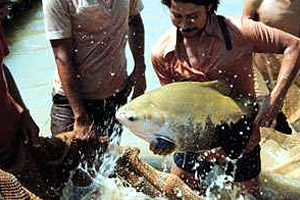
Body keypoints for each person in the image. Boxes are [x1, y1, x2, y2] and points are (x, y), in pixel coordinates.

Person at [150, 0, 300, 195]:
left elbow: (294, 46)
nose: (185, 25)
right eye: (177, 16)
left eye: (193, 16)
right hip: (194, 144)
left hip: (243, 140)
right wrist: (161, 139)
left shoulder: (241, 31)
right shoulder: (161, 54)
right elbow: (173, 111)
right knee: (173, 194)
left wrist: (276, 99)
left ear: (209, 6)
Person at [42, 0, 146, 152]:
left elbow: (135, 21)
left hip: (115, 95)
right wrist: (80, 115)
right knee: (66, 165)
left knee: (106, 166)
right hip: (72, 103)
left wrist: (140, 69)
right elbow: (62, 57)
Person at [0, 0, 39, 169]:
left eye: (5, 5)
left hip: (11, 134)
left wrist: (24, 111)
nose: (5, 12)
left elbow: (2, 67)